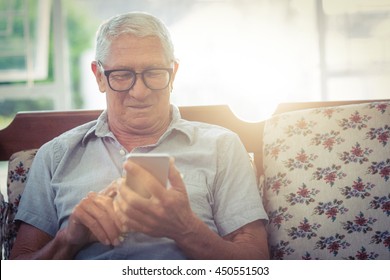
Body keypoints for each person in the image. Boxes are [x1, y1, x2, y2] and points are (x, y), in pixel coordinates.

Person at [10, 11, 269, 260]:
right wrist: (68, 240)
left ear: (174, 73)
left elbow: (256, 263)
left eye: (154, 73)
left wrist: (186, 229)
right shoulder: (55, 156)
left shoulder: (222, 147)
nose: (140, 92)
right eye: (122, 75)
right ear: (99, 77)